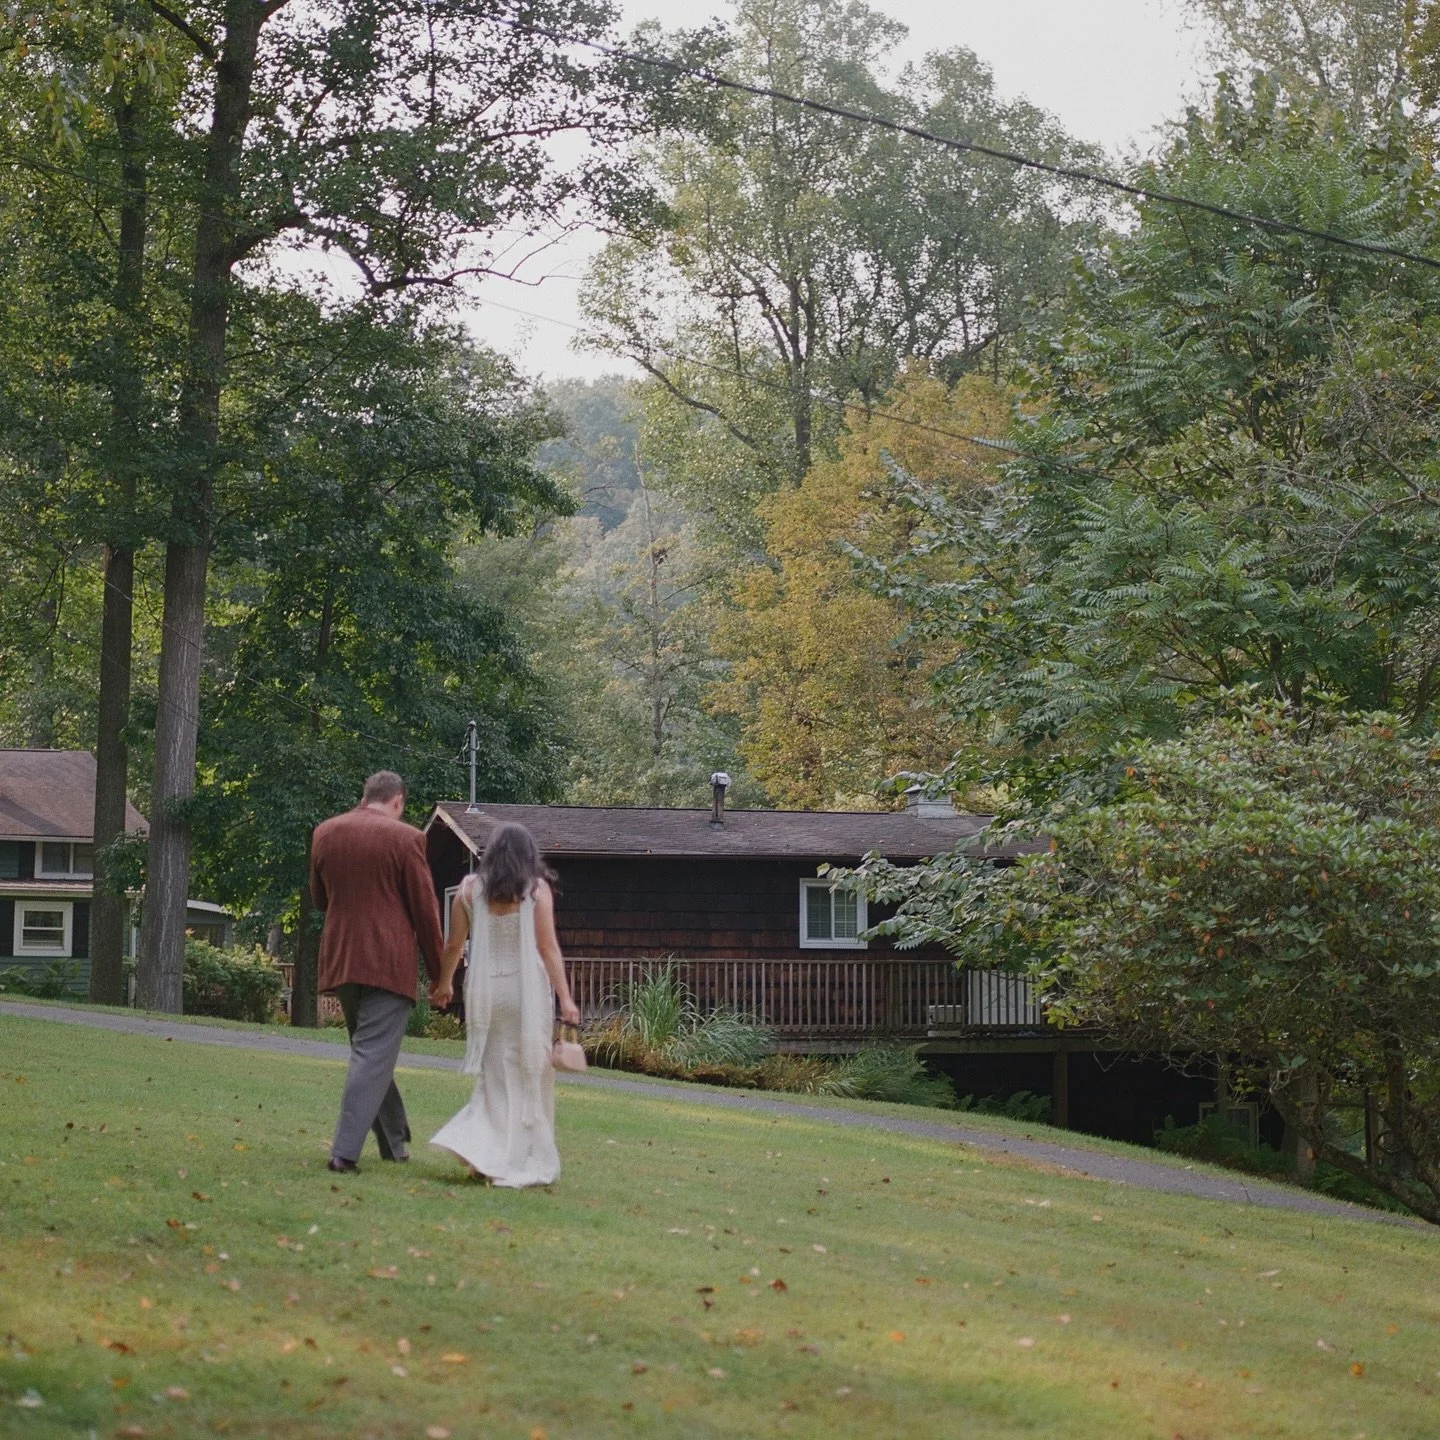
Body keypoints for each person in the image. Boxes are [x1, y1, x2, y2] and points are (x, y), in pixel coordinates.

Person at [429, 822, 580, 1187]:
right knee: (530, 1073)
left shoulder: (468, 891)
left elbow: (453, 946)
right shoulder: (535, 891)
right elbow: (547, 948)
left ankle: (485, 1151)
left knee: (494, 1075)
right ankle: (518, 1155)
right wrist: (566, 998)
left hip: (485, 992)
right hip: (526, 992)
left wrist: (445, 983)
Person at [310, 770, 444, 1173]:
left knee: (370, 1054)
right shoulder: (406, 839)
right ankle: (343, 1154)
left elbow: (319, 899)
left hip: (342, 959)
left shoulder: (325, 833)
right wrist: (441, 975)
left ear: (365, 795)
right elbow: (425, 912)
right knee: (372, 1057)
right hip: (387, 963)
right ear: (398, 801)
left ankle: (395, 1143)